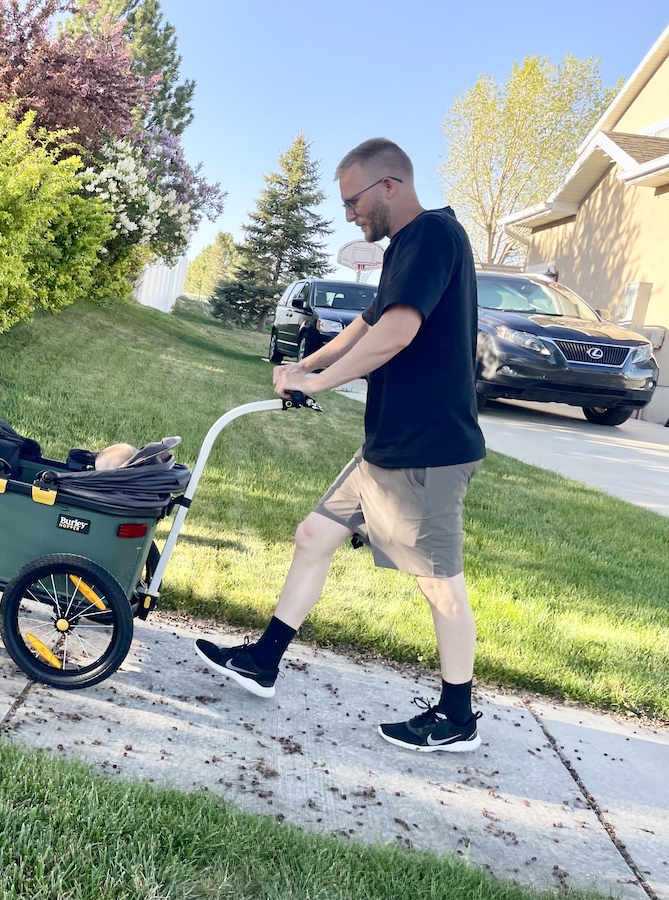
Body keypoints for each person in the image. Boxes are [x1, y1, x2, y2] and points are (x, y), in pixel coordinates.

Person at [195, 138, 488, 753]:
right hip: (388, 443)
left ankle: (457, 715)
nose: (349, 215)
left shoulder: (434, 236)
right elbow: (367, 322)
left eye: (353, 201)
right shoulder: (407, 247)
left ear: (389, 186)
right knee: (314, 535)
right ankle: (263, 660)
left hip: (426, 450)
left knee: (439, 582)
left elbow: (399, 333)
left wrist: (320, 382)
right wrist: (306, 363)